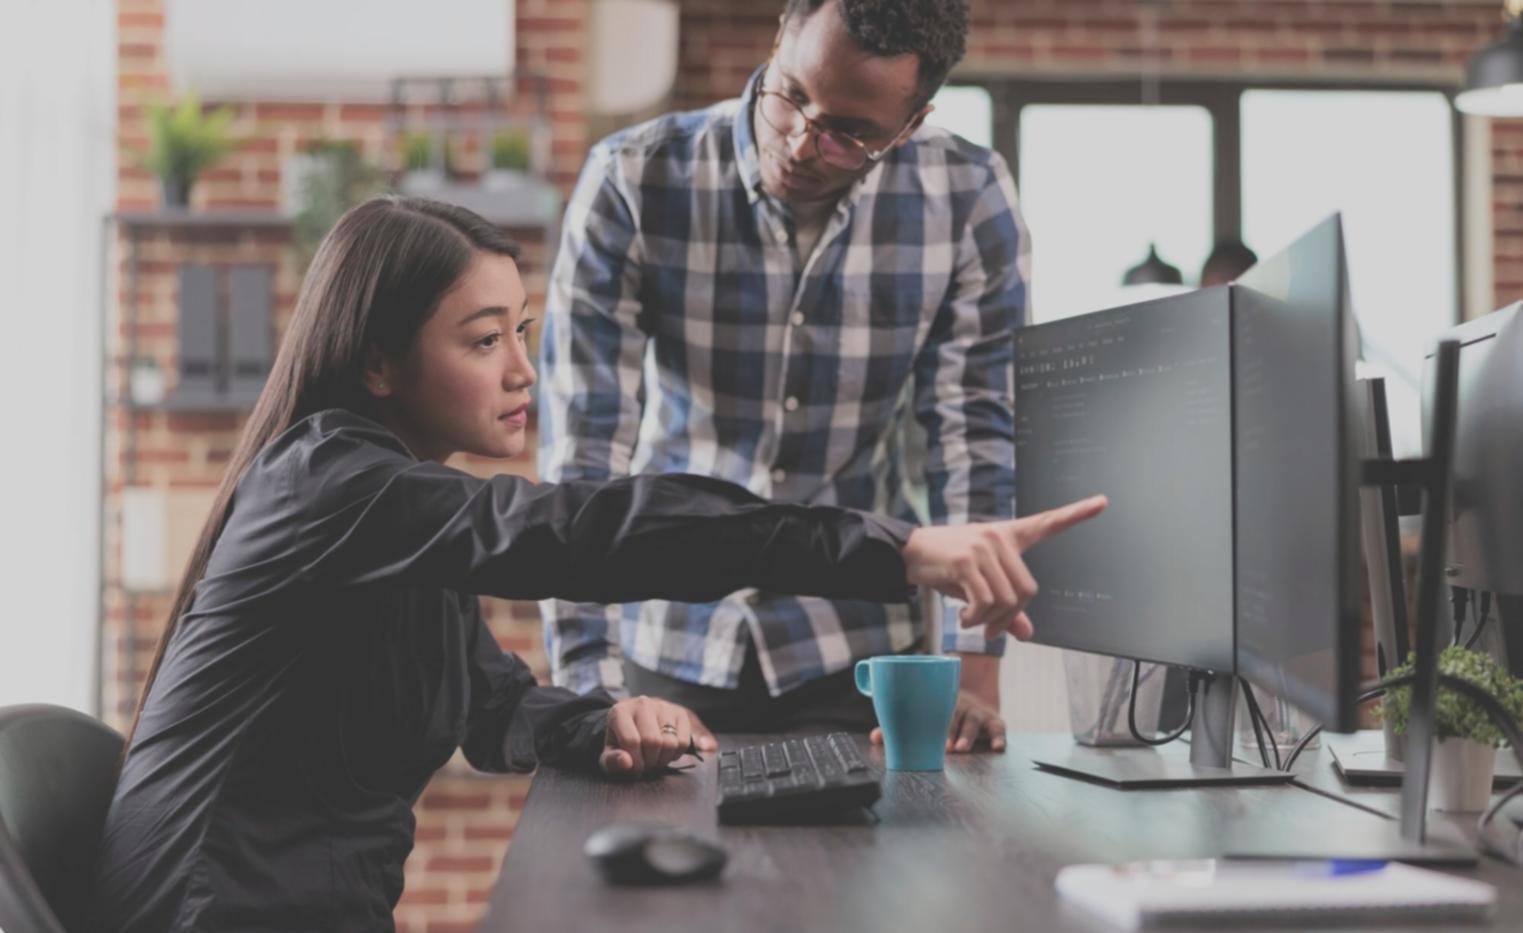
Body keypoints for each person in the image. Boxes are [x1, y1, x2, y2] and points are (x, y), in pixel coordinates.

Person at [85, 196, 1102, 932]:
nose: (522, 370)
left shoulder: (393, 508)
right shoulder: (331, 485)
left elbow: (487, 707)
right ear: (378, 363)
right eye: (484, 341)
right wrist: (903, 547)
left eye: (520, 333)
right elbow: (587, 530)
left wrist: (598, 719)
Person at [539, 0, 1028, 754]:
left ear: (911, 122)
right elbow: (584, 455)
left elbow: (974, 440)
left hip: (859, 647)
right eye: (791, 95)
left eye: (850, 132)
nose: (802, 141)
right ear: (778, 40)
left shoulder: (967, 197)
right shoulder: (633, 180)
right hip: (667, 634)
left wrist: (975, 673)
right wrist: (589, 691)